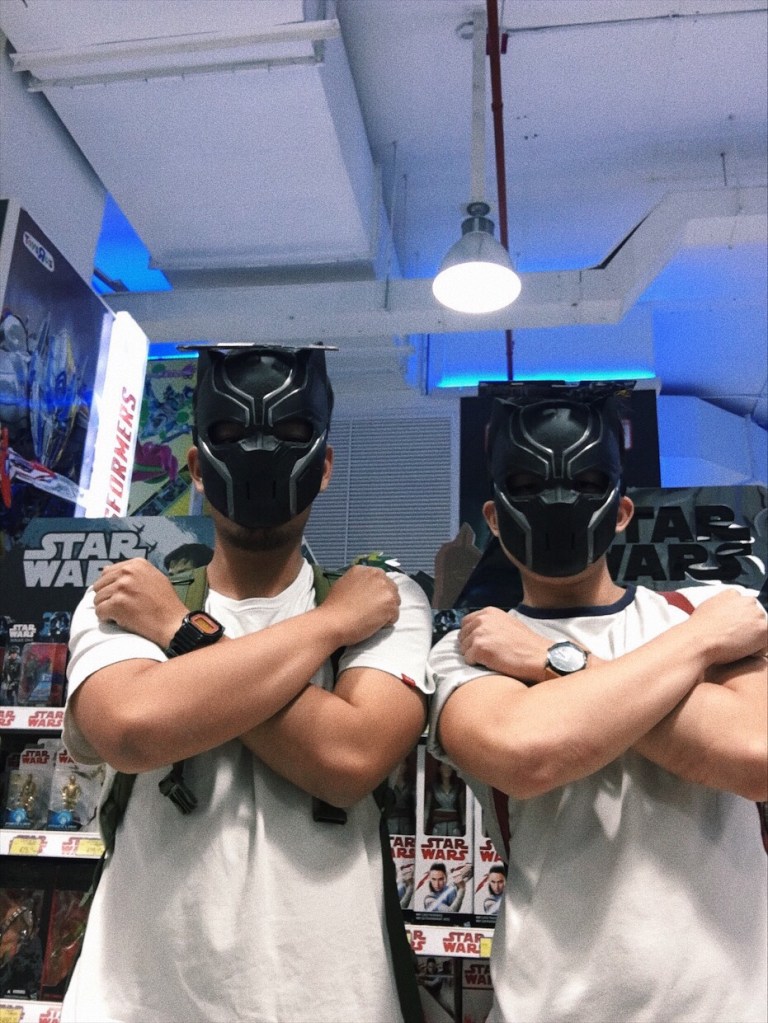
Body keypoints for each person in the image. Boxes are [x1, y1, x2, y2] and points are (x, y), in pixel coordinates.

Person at [61, 344, 433, 1023]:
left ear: (324, 466)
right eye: (231, 433)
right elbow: (134, 728)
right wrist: (326, 628)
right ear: (198, 469)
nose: (261, 454)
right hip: (139, 1004)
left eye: (290, 433)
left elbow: (349, 757)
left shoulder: (387, 601)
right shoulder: (127, 598)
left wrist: (178, 638)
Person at [427, 381, 768, 1023]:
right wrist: (697, 651)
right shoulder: (472, 648)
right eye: (527, 485)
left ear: (621, 510)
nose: (558, 502)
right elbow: (528, 753)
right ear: (494, 517)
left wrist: (552, 663)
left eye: (586, 483)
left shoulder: (699, 614)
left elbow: (755, 756)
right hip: (552, 1006)